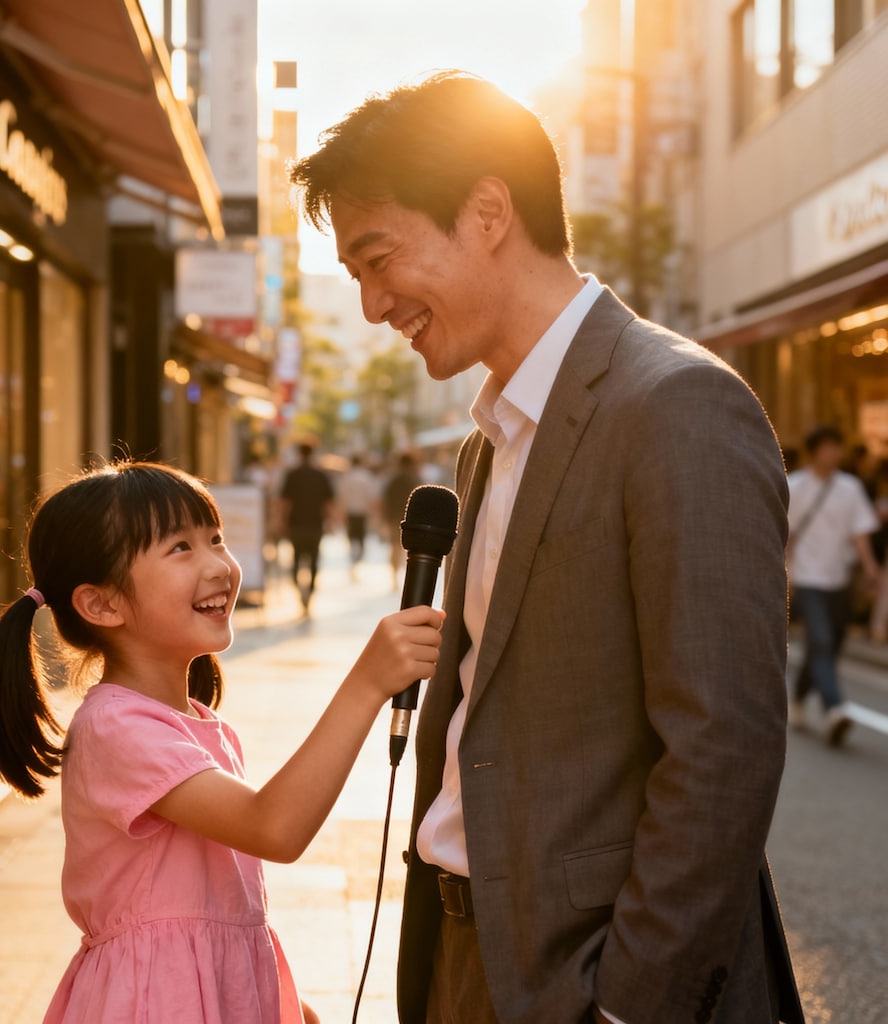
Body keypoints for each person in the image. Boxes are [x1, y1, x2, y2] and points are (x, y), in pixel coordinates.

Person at [290, 71, 802, 1024]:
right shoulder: (491, 437)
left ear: (487, 210)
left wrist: (627, 1006)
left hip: (588, 978)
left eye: (377, 258)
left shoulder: (677, 405)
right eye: (354, 277)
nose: (369, 304)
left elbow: (724, 748)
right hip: (461, 948)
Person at [0, 459, 443, 1024]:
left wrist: (286, 1002)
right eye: (180, 548)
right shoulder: (115, 728)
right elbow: (274, 827)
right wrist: (367, 683)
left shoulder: (195, 722)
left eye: (215, 539)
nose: (219, 564)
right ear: (102, 604)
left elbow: (218, 906)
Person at [787, 425, 880, 743]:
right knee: (822, 641)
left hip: (838, 580)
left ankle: (798, 698)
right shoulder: (794, 486)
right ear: (814, 451)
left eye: (837, 447)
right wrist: (785, 573)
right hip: (807, 579)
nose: (835, 453)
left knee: (828, 645)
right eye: (828, 447)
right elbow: (787, 536)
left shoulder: (850, 488)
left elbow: (860, 533)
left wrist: (870, 568)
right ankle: (835, 709)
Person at [277, 443, 336, 613]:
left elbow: (284, 501)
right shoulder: (320, 475)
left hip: (296, 523)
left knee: (296, 558)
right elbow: (329, 501)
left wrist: (280, 521)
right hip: (315, 523)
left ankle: (299, 591)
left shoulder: (292, 475)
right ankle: (309, 593)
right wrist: (331, 521)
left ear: (299, 454)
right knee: (314, 559)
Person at [382, 451, 422, 588]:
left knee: (395, 547)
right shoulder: (415, 479)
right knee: (411, 551)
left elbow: (386, 500)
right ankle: (408, 579)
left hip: (394, 518)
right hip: (411, 520)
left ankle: (394, 577)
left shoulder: (393, 480)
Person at [338, 453, 379, 576]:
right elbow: (372, 496)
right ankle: (357, 559)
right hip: (363, 512)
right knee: (361, 537)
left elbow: (342, 497)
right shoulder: (367, 477)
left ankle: (353, 559)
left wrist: (341, 513)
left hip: (350, 512)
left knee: (351, 537)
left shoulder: (346, 477)